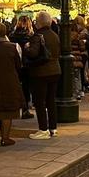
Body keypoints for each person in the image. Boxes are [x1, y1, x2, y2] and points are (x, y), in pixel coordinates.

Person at [26, 11, 61, 139]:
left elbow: (33, 54)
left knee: (40, 102)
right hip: (55, 70)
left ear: (38, 22)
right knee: (51, 100)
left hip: (41, 72)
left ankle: (43, 129)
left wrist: (27, 48)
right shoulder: (55, 35)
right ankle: (53, 127)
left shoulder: (38, 36)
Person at [8, 16, 35, 119]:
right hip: (27, 64)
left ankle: (15, 107)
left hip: (15, 64)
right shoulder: (31, 36)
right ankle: (25, 109)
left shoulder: (12, 36)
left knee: (16, 85)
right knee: (26, 86)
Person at [70, 22, 85, 100]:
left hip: (71, 59)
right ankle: (78, 92)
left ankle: (73, 92)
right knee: (78, 76)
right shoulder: (78, 37)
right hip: (78, 59)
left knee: (72, 77)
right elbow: (82, 48)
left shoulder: (66, 36)